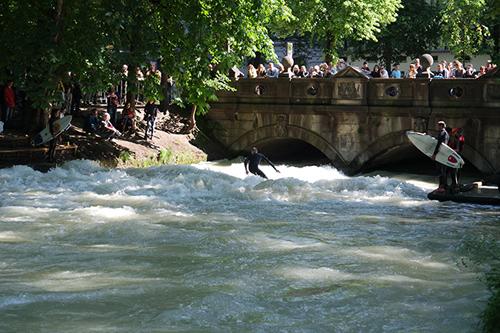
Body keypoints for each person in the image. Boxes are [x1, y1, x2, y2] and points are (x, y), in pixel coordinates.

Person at [432, 120, 450, 193]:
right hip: (444, 153)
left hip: (440, 153)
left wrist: (434, 154)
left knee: (441, 171)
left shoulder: (442, 133)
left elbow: (439, 144)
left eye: (439, 126)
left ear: (442, 126)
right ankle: (443, 186)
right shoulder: (446, 133)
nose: (438, 127)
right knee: (443, 170)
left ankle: (441, 187)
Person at [447, 127, 465, 193]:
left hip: (456, 155)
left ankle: (454, 183)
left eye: (455, 132)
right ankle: (455, 183)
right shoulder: (461, 137)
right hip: (459, 155)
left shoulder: (458, 138)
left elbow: (457, 149)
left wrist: (451, 150)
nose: (453, 134)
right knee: (457, 169)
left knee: (453, 169)